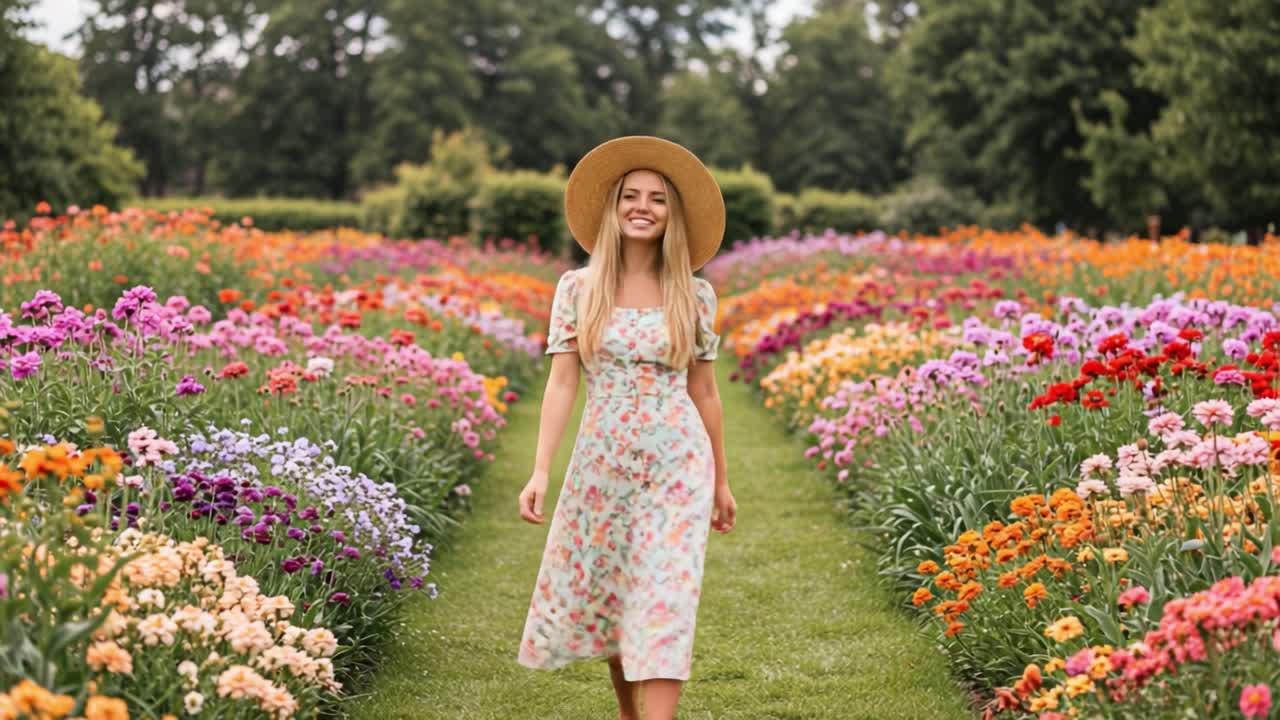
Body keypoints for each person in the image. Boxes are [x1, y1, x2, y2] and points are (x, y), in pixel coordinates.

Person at [516, 136, 737, 720]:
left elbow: (705, 391)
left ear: (673, 214)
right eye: (631, 196)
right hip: (602, 462)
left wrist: (721, 480)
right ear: (613, 208)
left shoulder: (694, 294)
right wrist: (541, 469)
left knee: (667, 594)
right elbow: (562, 383)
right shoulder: (578, 289)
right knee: (616, 597)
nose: (643, 207)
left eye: (658, 199)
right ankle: (630, 714)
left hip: (677, 463)